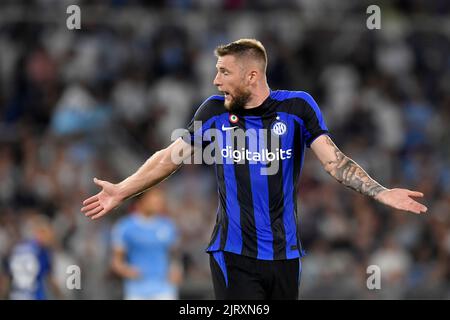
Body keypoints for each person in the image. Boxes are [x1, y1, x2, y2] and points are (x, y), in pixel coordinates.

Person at [81, 39, 427, 300]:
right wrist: (123, 189)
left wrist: (382, 191)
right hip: (233, 254)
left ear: (252, 75)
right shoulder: (213, 111)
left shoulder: (297, 107)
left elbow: (336, 163)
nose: (216, 81)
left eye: (224, 72)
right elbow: (170, 156)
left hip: (286, 255)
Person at [110, 187, 181, 300]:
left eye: (159, 197)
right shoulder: (125, 227)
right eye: (154, 197)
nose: (158, 201)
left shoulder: (168, 225)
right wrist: (127, 271)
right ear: (140, 200)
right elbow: (116, 262)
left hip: (164, 289)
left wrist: (176, 269)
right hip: (136, 290)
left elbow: (174, 256)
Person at [4, 213, 62, 300]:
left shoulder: (17, 249)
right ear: (40, 232)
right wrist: (61, 295)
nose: (51, 236)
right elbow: (50, 279)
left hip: (16, 295)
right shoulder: (41, 251)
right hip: (34, 295)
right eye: (48, 232)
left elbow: (7, 276)